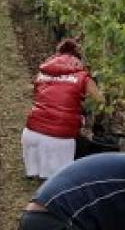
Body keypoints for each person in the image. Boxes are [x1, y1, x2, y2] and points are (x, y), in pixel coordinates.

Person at [22, 38, 104, 180]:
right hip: (58, 138)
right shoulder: (82, 77)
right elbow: (101, 100)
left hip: (31, 133)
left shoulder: (42, 73)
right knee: (59, 180)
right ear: (77, 59)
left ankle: (35, 168)